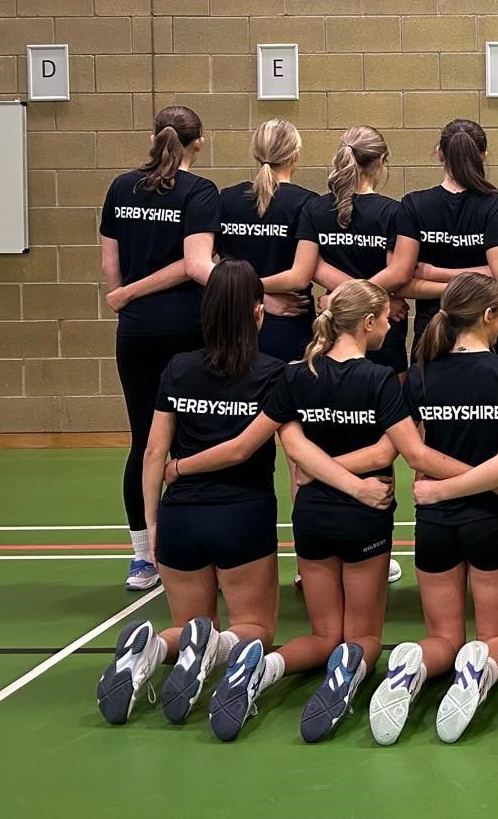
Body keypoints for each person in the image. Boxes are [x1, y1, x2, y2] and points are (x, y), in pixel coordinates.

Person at [180, 279, 406, 743]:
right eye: (385, 317)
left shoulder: (297, 375)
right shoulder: (381, 379)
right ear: (367, 323)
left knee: (324, 635)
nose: (389, 323)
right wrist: (357, 486)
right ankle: (348, 668)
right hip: (365, 514)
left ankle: (264, 667)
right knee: (362, 637)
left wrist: (319, 471)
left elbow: (293, 446)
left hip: (312, 515)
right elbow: (389, 450)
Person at [94, 260, 284, 726]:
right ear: (258, 313)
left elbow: (152, 451)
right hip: (243, 515)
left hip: (181, 517)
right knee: (255, 629)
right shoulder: (274, 373)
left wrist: (152, 525)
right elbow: (272, 453)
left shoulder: (178, 368)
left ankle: (153, 647)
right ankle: (212, 649)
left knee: (185, 628)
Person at [365, 272, 498, 744]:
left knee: (442, 638)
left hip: (434, 523)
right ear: (492, 316)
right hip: (490, 522)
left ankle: (413, 661)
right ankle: (478, 668)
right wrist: (495, 485)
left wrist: (441, 489)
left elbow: (416, 455)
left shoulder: (419, 376)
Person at [99, 104, 219, 591]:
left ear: (153, 138)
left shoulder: (121, 187)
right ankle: (194, 550)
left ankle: (143, 558)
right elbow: (195, 265)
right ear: (199, 143)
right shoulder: (200, 191)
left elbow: (112, 267)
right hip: (187, 330)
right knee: (193, 440)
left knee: (144, 440)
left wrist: (128, 294)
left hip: (135, 333)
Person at [401, 119, 498, 360]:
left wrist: (434, 273)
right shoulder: (496, 204)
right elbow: (404, 281)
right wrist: (473, 284)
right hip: (475, 324)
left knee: (430, 397)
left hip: (448, 323)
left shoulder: (413, 204)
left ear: (439, 154)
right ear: (483, 156)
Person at [285, 125, 418, 375]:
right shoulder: (393, 211)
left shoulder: (315, 208)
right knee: (387, 407)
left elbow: (313, 267)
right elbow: (397, 274)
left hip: (338, 315)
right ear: (381, 162)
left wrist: (339, 298)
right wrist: (374, 299)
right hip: (380, 317)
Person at [216, 118, 317, 362]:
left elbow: (207, 265)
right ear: (295, 156)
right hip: (287, 322)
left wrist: (245, 291)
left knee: (237, 396)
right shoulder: (308, 203)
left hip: (234, 314)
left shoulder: (227, 199)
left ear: (255, 153)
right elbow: (299, 276)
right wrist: (259, 293)